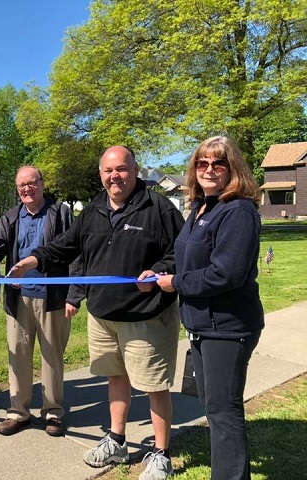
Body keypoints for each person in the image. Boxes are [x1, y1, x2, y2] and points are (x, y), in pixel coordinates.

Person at [7, 147, 185, 479]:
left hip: (145, 315)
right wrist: (31, 261)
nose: (114, 176)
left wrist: (159, 271)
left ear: (135, 169)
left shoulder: (158, 206)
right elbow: (66, 245)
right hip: (103, 315)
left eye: (121, 169)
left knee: (153, 386)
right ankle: (117, 440)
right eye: (107, 171)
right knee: (115, 378)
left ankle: (161, 453)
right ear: (101, 174)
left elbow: (182, 249)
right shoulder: (94, 209)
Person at [156, 136, 264, 480]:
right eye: (203, 163)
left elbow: (226, 273)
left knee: (223, 410)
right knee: (214, 406)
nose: (210, 170)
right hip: (203, 325)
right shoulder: (202, 207)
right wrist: (164, 272)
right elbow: (189, 257)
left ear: (233, 169)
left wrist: (175, 284)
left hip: (228, 327)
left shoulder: (238, 211)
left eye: (219, 163)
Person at [0, 166, 84, 437]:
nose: (26, 189)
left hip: (52, 298)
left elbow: (77, 252)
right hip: (18, 298)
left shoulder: (61, 213)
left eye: (31, 183)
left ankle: (53, 413)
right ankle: (18, 412)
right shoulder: (11, 217)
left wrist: (74, 294)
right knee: (18, 356)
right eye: (21, 185)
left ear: (42, 184)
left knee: (52, 358)